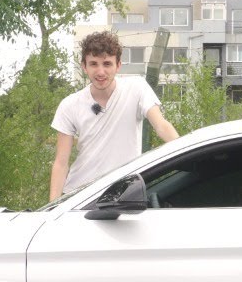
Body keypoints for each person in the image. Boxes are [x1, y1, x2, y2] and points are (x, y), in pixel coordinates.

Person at [49, 31, 180, 200]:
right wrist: (51, 208)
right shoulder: (69, 105)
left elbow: (161, 126)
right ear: (84, 66)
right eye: (94, 64)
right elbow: (61, 162)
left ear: (118, 65)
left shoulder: (137, 87)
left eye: (107, 64)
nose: (100, 71)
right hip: (78, 196)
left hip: (124, 193)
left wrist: (188, 155)